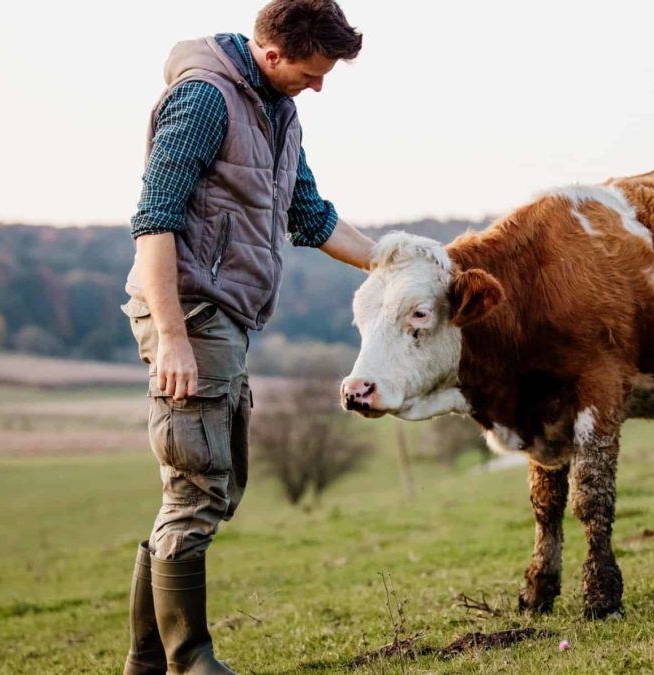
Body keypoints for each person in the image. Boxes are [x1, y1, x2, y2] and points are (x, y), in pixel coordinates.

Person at [119, 2, 374, 673]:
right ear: (270, 52)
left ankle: (148, 662)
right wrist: (172, 337)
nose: (318, 86)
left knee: (211, 483)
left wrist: (392, 261)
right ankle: (189, 658)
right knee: (197, 486)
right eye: (312, 73)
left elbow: (310, 215)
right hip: (190, 314)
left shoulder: (279, 113)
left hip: (225, 317)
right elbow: (154, 220)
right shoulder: (205, 100)